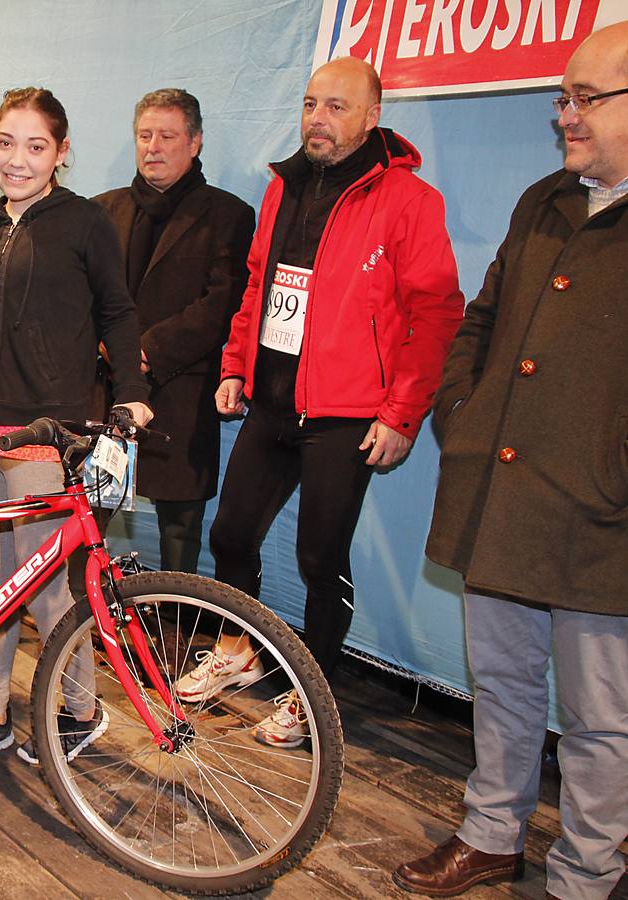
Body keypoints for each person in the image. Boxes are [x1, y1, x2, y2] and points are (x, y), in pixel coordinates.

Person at [393, 23, 628, 900]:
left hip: (602, 512)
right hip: (500, 489)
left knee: (604, 718)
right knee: (500, 681)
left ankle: (586, 872)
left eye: (586, 99)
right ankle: (493, 835)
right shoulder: (546, 198)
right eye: (561, 97)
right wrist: (461, 412)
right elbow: (481, 320)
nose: (566, 116)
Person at [187, 57, 464, 747]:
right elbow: (261, 284)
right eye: (311, 103)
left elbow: (435, 314)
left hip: (349, 416)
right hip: (273, 402)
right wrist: (234, 365)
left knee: (319, 559)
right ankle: (238, 651)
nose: (318, 117)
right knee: (230, 537)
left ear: (373, 117)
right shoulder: (284, 188)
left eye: (337, 106)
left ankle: (316, 695)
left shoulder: (410, 201)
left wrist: (403, 413)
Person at [0, 87, 153, 774]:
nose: (17, 160)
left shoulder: (86, 223)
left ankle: (82, 710)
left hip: (40, 431)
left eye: (35, 147)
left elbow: (118, 314)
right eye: (6, 143)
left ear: (62, 153)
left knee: (47, 583)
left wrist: (134, 396)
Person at [92, 88, 254, 574]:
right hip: (106, 392)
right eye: (145, 135)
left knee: (179, 530)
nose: (153, 147)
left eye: (167, 135)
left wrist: (145, 351)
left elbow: (222, 303)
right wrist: (115, 351)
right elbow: (83, 293)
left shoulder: (229, 215)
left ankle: (173, 635)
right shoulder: (101, 211)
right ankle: (81, 625)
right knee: (88, 518)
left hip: (181, 396)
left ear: (196, 142)